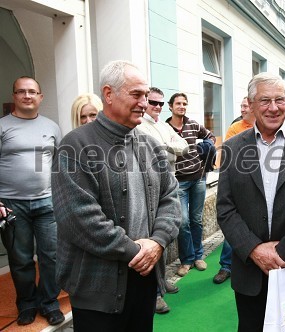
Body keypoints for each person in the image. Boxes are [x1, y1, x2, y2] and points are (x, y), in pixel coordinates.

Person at [52, 60, 181, 331]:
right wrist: (138, 252)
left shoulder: (150, 144)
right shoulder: (75, 145)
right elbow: (78, 218)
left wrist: (157, 242)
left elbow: (171, 198)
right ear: (108, 94)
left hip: (144, 279)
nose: (144, 103)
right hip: (97, 286)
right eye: (136, 95)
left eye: (146, 96)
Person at [217, 72, 285, 332]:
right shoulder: (233, 147)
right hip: (250, 270)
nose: (274, 107)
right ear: (251, 104)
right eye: (265, 100)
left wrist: (283, 252)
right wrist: (255, 250)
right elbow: (225, 207)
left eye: (280, 99)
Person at [0, 76, 64, 326]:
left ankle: (49, 303)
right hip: (12, 204)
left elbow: (58, 164)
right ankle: (26, 304)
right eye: (21, 92)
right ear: (14, 96)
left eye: (32, 92)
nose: (27, 96)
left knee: (52, 256)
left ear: (40, 97)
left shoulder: (51, 127)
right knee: (21, 259)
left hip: (47, 203)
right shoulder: (3, 126)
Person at [137, 86, 188, 313]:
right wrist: (168, 150)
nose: (156, 107)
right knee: (151, 237)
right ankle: (155, 294)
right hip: (148, 186)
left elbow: (184, 147)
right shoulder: (140, 124)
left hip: (169, 183)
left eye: (160, 103)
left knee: (167, 235)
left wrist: (166, 146)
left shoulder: (163, 126)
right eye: (153, 103)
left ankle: (162, 279)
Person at [166, 93, 216, 277]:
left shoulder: (193, 124)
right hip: (179, 182)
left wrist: (206, 150)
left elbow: (211, 137)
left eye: (184, 103)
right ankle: (186, 260)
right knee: (183, 222)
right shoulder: (165, 128)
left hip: (198, 179)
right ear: (170, 106)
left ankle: (198, 256)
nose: (182, 106)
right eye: (178, 103)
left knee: (196, 219)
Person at [213, 97, 256, 285]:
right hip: (241, 184)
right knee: (233, 228)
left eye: (246, 105)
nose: (243, 108)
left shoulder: (266, 127)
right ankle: (226, 266)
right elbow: (229, 158)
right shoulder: (235, 128)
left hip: (260, 188)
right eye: (241, 105)